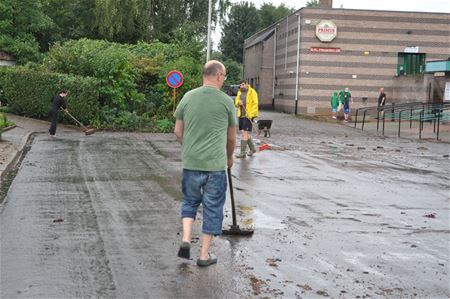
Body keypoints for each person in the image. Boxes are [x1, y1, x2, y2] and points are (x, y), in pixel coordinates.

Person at [174, 60, 237, 267]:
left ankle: (185, 239)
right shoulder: (227, 101)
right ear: (219, 75)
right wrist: (229, 157)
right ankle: (203, 255)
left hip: (191, 163)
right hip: (215, 166)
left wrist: (190, 147)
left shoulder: (187, 97)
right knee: (212, 207)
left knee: (190, 202)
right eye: (224, 76)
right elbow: (231, 139)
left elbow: (177, 132)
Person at [235, 80, 258, 158]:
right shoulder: (239, 92)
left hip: (248, 115)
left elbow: (255, 104)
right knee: (244, 133)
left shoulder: (252, 92)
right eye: (240, 85)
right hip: (241, 115)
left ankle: (242, 153)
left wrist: (250, 115)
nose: (241, 86)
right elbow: (236, 103)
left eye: (243, 84)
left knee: (244, 133)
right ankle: (253, 149)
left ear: (247, 84)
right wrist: (238, 103)